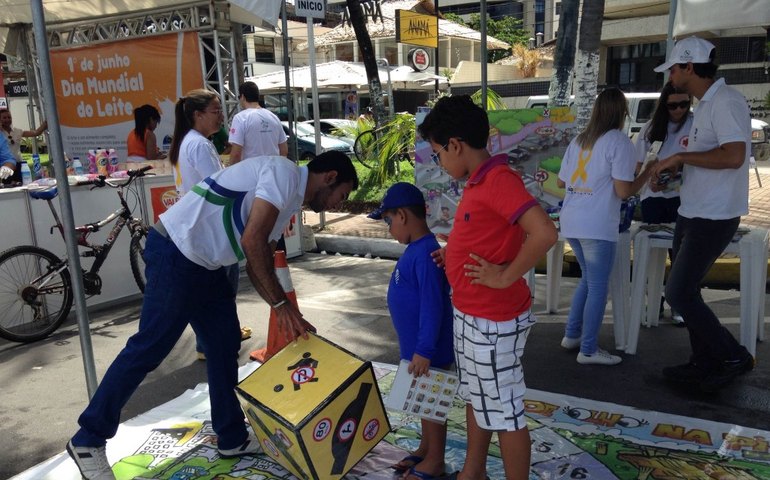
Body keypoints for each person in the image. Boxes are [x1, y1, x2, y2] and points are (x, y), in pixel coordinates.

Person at [66, 150, 359, 480]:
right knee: (149, 348)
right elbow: (252, 241)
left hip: (208, 265)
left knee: (223, 344)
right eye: (342, 195)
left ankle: (231, 437)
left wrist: (285, 311)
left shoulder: (289, 196)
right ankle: (88, 439)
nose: (338, 204)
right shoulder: (284, 173)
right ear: (330, 177)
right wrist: (281, 307)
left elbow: (258, 258)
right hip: (178, 251)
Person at [419, 95, 558, 480]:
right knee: (478, 397)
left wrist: (503, 276)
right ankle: (473, 471)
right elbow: (490, 232)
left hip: (492, 320)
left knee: (505, 411)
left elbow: (544, 232)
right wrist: (456, 253)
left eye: (437, 153)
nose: (439, 163)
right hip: (471, 312)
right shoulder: (478, 181)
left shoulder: (497, 179)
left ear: (455, 145)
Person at [649, 36, 754, 393]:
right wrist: (675, 175)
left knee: (678, 293)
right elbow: (711, 159)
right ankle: (704, 361)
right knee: (685, 289)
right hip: (693, 210)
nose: (671, 76)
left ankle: (732, 355)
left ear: (690, 67)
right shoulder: (707, 104)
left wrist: (679, 158)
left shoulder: (725, 102)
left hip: (714, 215)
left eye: (675, 68)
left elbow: (734, 156)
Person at [557, 88, 653, 366]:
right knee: (598, 286)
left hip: (572, 220)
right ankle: (588, 349)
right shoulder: (620, 142)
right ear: (622, 113)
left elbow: (562, 182)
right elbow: (624, 191)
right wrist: (647, 171)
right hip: (597, 223)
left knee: (588, 280)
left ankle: (572, 335)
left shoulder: (579, 140)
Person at [368, 182, 454, 480]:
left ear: (402, 215)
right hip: (416, 347)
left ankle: (436, 461)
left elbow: (433, 307)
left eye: (388, 221)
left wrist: (424, 350)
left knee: (431, 404)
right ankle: (426, 447)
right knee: (422, 400)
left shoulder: (427, 254)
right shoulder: (417, 249)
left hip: (428, 350)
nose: (389, 229)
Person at [168, 89, 250, 359]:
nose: (221, 118)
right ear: (198, 115)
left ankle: (214, 339)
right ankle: (216, 341)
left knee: (210, 288)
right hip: (210, 224)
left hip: (196, 224)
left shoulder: (187, 142)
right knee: (222, 288)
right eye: (216, 112)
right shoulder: (200, 145)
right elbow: (220, 185)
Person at [633, 82, 693, 325]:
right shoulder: (650, 129)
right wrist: (652, 178)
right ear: (663, 105)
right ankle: (653, 301)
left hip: (684, 198)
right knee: (651, 254)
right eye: (672, 105)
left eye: (684, 104)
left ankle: (678, 303)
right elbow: (638, 166)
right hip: (654, 199)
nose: (678, 110)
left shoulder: (696, 125)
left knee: (680, 255)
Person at [227, 81, 287, 164]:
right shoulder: (274, 117)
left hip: (251, 173)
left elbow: (236, 154)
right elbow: (284, 150)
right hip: (273, 171)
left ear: (243, 97)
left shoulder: (240, 118)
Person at [0, 109, 47, 185]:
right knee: (7, 186)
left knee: (21, 185)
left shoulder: (17, 131)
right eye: (4, 118)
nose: (7, 119)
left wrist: (46, 123)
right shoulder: (0, 133)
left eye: (9, 117)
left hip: (19, 164)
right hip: (5, 167)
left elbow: (36, 133)